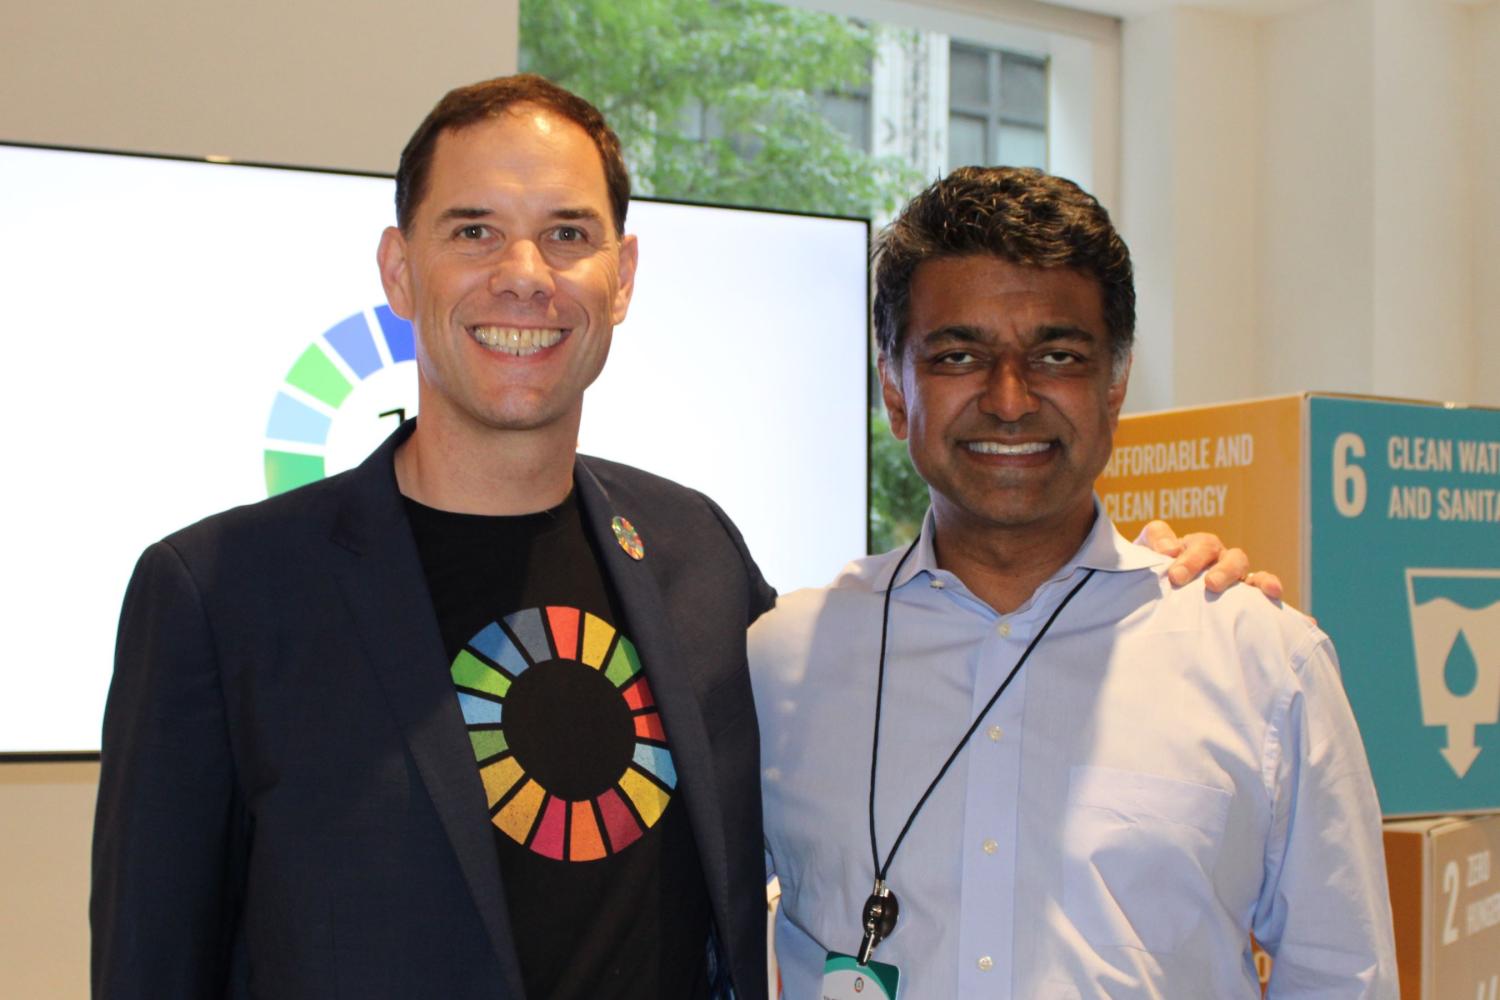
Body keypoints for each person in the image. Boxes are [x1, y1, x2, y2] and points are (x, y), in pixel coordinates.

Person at [90, 76, 1262, 999]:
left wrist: (1145, 582)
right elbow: (152, 966)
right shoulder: (222, 594)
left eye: (566, 233)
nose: (523, 275)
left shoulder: (695, 554)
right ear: (401, 268)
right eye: (472, 230)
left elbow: (931, 683)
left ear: (623, 274)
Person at [751, 167, 1397, 998]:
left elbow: (1344, 978)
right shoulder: (781, 662)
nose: (1010, 400)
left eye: (1057, 355)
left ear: (1115, 386)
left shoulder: (1261, 661)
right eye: (958, 355)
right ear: (895, 392)